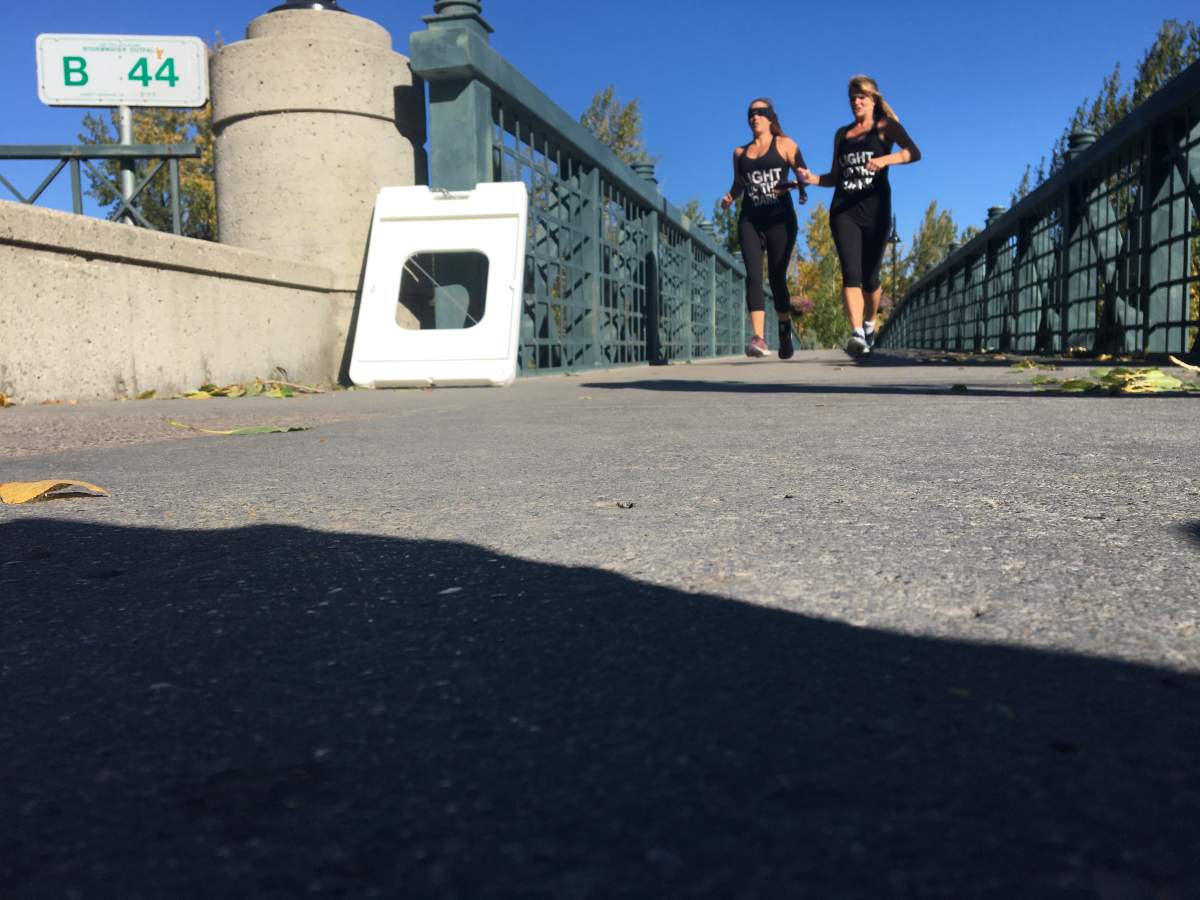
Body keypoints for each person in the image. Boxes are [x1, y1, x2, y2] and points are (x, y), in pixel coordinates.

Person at [798, 75, 920, 357]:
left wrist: (884, 160)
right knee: (850, 273)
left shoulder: (885, 127)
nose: (856, 101)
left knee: (871, 277)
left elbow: (914, 153)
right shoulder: (842, 134)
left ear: (873, 99)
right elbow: (835, 177)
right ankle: (856, 333)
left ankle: (869, 322)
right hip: (844, 210)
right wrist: (813, 178)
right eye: (852, 97)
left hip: (876, 210)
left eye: (861, 96)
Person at [721, 99, 808, 359]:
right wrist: (730, 197)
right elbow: (739, 183)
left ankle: (784, 329)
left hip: (780, 219)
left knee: (777, 276)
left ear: (770, 118)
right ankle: (758, 337)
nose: (755, 117)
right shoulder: (739, 153)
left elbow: (803, 173)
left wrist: (798, 187)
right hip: (751, 218)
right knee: (754, 276)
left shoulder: (785, 144)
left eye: (760, 113)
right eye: (751, 114)